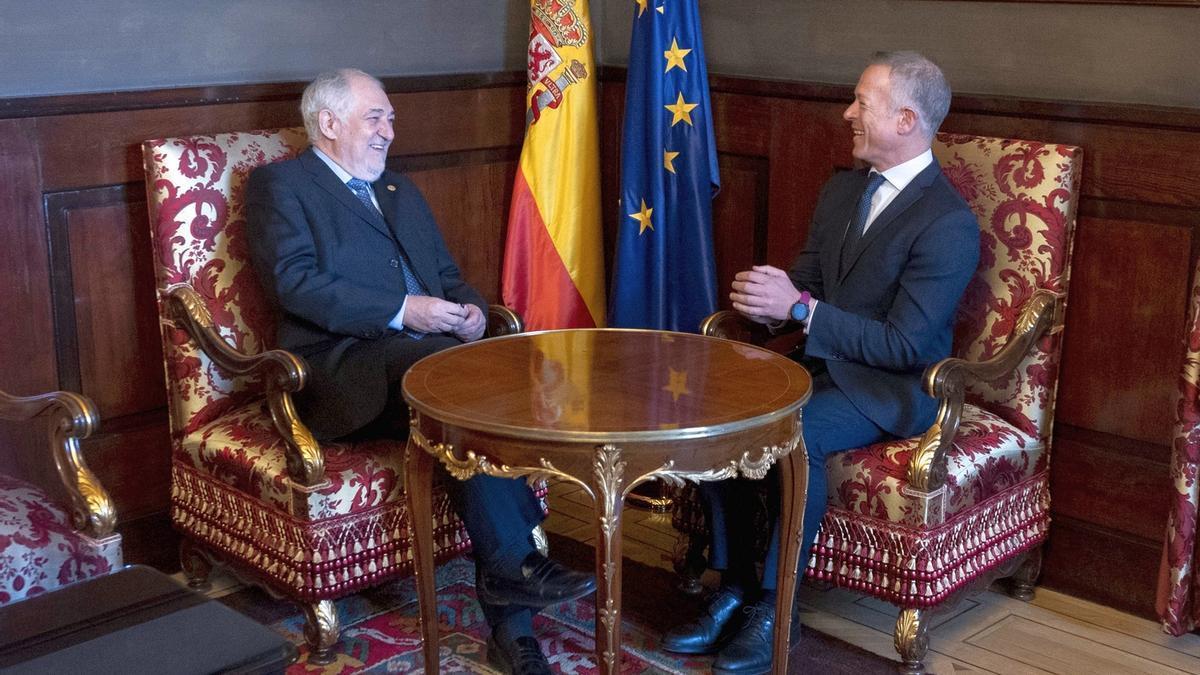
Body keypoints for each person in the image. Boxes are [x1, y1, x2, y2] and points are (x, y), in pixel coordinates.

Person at [245, 68, 594, 675]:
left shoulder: (400, 191)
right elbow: (293, 283)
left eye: (391, 119)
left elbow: (449, 278)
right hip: (339, 374)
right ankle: (522, 570)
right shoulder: (282, 186)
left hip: (431, 371)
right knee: (453, 390)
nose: (389, 132)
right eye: (375, 118)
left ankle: (514, 619)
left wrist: (471, 317)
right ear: (328, 124)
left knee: (466, 420)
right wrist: (408, 311)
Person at [662, 51, 980, 674]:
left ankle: (778, 611)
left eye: (863, 103)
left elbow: (907, 345)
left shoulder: (948, 222)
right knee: (719, 412)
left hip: (892, 389)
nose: (848, 113)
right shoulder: (842, 190)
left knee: (790, 435)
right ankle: (735, 587)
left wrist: (804, 312)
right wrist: (773, 301)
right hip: (820, 367)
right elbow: (808, 283)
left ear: (907, 119)